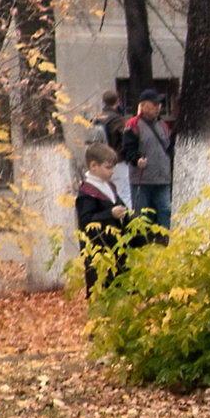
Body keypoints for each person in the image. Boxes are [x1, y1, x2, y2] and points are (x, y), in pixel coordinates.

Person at [75, 142, 137, 294]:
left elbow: (121, 207)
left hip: (115, 247)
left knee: (121, 287)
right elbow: (86, 222)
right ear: (93, 165)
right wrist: (110, 214)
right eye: (108, 167)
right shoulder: (87, 193)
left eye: (113, 167)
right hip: (98, 251)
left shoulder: (109, 187)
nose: (112, 172)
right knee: (102, 289)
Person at [118, 89, 176, 229]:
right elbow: (127, 149)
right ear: (143, 106)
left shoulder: (163, 126)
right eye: (154, 104)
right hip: (142, 179)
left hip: (163, 179)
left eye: (159, 104)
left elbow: (169, 149)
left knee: (166, 211)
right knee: (142, 216)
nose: (158, 107)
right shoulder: (133, 125)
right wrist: (136, 160)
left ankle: (166, 241)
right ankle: (143, 245)